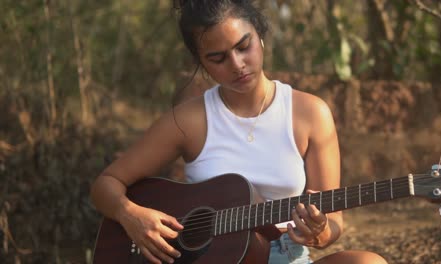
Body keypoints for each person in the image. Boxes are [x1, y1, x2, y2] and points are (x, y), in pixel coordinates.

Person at [90, 1, 388, 263]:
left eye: (243, 46)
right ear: (201, 63)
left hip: (284, 257)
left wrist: (319, 230)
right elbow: (106, 184)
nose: (237, 65)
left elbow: (334, 221)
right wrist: (131, 215)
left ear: (260, 36)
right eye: (217, 58)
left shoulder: (310, 113)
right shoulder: (187, 121)